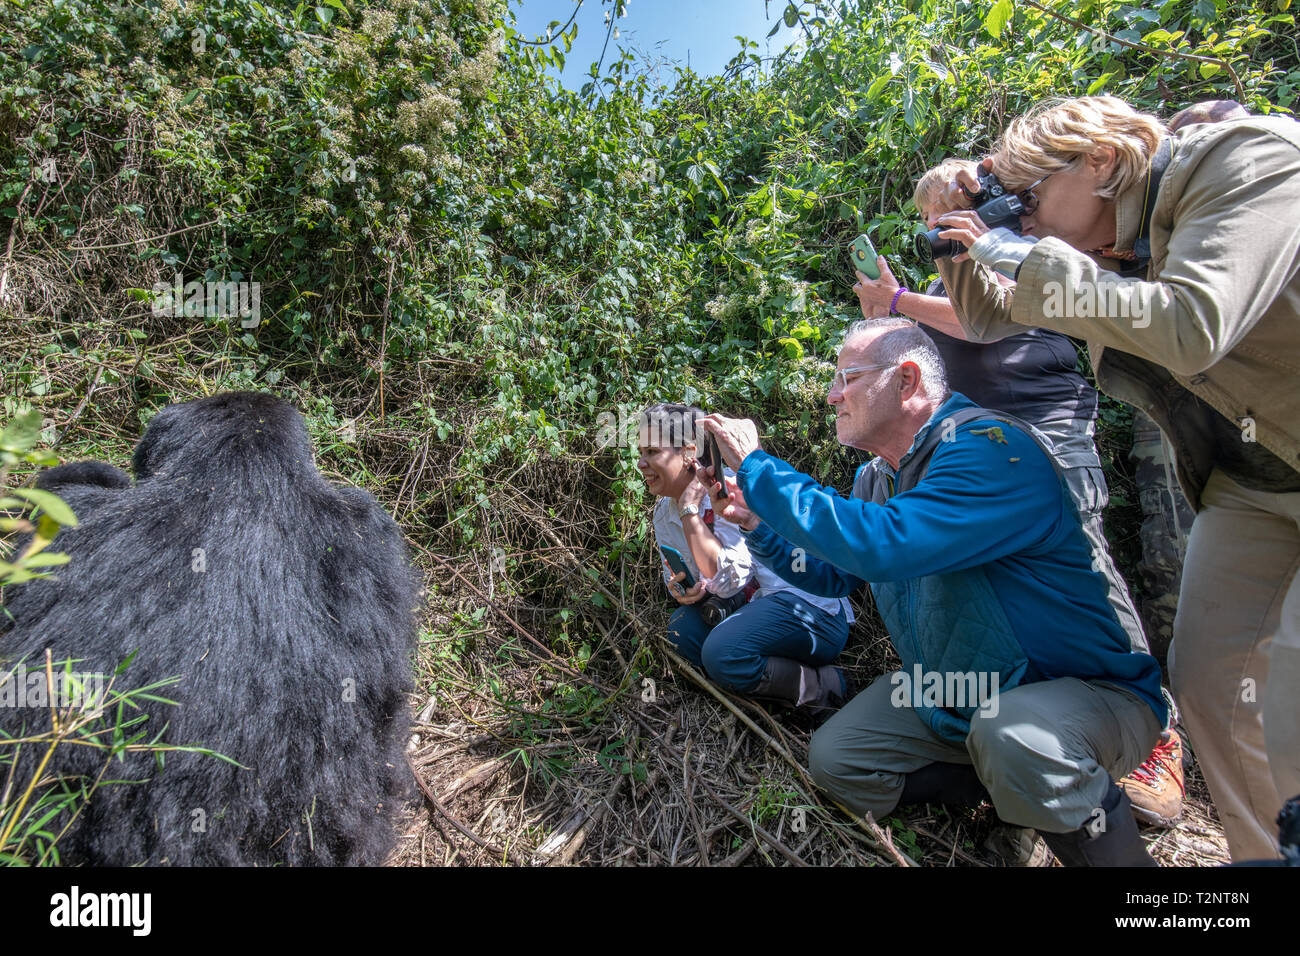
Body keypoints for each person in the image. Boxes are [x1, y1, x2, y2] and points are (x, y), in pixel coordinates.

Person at [930, 94, 1300, 861]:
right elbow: (992, 319)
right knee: (1210, 685)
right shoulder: (1105, 254)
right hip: (1250, 483)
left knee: (1290, 705)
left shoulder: (1248, 160)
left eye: (1029, 198)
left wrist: (1019, 250)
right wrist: (955, 238)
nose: (1022, 217)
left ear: (1097, 158)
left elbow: (1192, 325)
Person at [699, 319, 1168, 866]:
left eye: (846, 378)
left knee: (1013, 735)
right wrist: (759, 525)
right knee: (838, 760)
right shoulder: (876, 479)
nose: (830, 396)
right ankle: (1006, 794)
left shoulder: (988, 447)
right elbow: (835, 575)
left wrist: (759, 468)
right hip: (961, 695)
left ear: (907, 380)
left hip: (1084, 694)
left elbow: (884, 545)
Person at [854, 161, 1186, 829]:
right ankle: (1035, 733)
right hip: (980, 451)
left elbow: (990, 321)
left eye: (942, 207)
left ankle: (1156, 735)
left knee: (1090, 570)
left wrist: (897, 305)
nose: (934, 226)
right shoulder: (941, 272)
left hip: (1046, 428)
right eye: (925, 218)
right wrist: (888, 319)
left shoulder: (1014, 240)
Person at [637, 403, 852, 711]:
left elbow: (729, 582)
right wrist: (682, 590)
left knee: (721, 652)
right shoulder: (663, 512)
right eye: (641, 453)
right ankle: (755, 684)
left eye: (652, 452)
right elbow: (688, 576)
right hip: (751, 607)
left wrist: (690, 513)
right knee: (680, 632)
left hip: (808, 606)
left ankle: (825, 688)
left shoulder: (731, 492)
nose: (641, 463)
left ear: (688, 453)